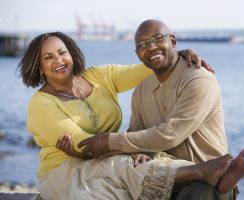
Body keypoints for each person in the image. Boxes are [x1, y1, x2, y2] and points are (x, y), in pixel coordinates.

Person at [19, 31, 232, 200]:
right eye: (48, 57)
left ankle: (208, 173)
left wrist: (178, 54)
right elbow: (83, 145)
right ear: (39, 67)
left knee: (142, 160)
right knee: (127, 165)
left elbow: (150, 66)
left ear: (72, 53)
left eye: (62, 52)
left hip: (106, 155)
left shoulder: (98, 76)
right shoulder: (41, 104)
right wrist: (130, 152)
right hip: (65, 171)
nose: (59, 60)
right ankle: (200, 172)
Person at [74, 19, 244, 199]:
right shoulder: (141, 90)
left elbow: (171, 134)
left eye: (157, 38)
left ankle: (224, 181)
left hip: (208, 176)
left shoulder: (198, 79)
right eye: (143, 44)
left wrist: (109, 141)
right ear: (138, 54)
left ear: (173, 41)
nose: (151, 47)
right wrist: (139, 151)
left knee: (198, 192)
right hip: (167, 176)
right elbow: (136, 135)